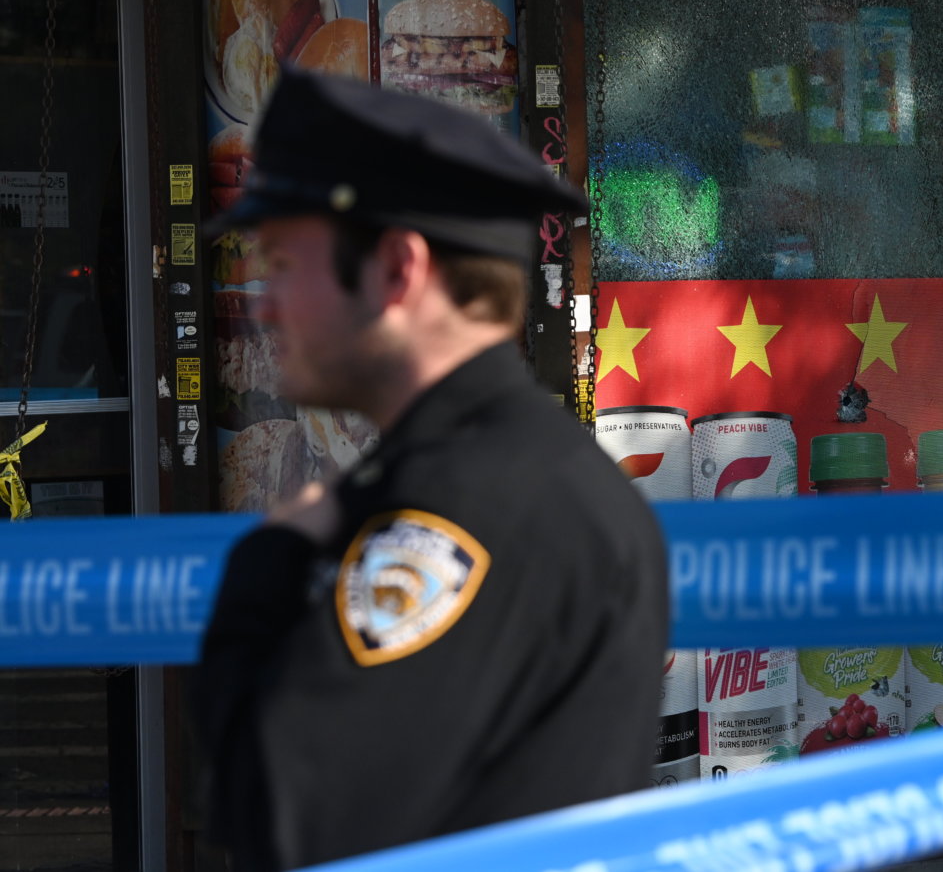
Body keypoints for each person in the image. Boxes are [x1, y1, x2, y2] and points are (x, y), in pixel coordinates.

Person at [193, 68, 669, 870]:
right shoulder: (502, 468)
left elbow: (284, 812)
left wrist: (266, 564)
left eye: (282, 260)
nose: (262, 298)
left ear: (396, 270)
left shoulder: (466, 501)